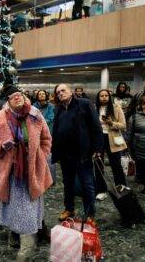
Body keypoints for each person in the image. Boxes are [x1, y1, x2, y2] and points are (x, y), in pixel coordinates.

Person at [0, 85, 52, 261]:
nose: (17, 98)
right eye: (13, 96)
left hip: (31, 170)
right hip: (10, 171)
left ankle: (28, 245)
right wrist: (1, 147)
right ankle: (14, 233)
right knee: (13, 206)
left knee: (29, 207)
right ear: (8, 100)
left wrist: (41, 156)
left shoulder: (35, 114)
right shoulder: (1, 116)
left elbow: (46, 138)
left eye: (19, 95)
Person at [52, 84, 103, 221]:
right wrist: (55, 151)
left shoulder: (84, 104)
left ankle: (90, 213)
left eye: (63, 90)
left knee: (87, 184)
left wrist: (97, 149)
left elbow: (96, 127)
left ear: (70, 92)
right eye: (58, 92)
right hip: (64, 155)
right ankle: (69, 209)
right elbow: (56, 130)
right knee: (67, 183)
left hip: (82, 154)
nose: (60, 94)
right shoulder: (59, 108)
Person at [94, 89, 128, 201]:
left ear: (109, 97)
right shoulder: (94, 108)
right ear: (98, 98)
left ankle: (121, 186)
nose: (104, 97)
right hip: (99, 138)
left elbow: (123, 125)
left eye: (106, 95)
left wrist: (111, 123)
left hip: (113, 139)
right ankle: (101, 190)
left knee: (116, 164)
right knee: (99, 165)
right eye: (101, 96)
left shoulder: (116, 107)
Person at [33, 90, 56, 183]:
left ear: (46, 95)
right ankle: (39, 178)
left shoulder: (50, 106)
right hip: (36, 132)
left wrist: (40, 122)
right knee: (37, 155)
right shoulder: (34, 105)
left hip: (47, 132)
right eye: (40, 94)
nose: (41, 95)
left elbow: (51, 118)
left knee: (48, 155)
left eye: (43, 94)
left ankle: (51, 179)